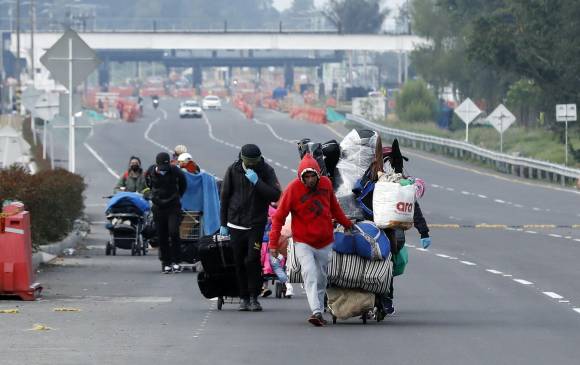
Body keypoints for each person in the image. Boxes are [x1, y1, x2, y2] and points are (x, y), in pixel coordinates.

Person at [269, 154, 353, 326]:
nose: (309, 180)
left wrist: (346, 224)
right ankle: (315, 311)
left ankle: (319, 311)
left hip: (325, 241)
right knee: (310, 273)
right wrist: (273, 244)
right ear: (301, 177)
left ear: (318, 174)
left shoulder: (326, 184)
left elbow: (335, 208)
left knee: (322, 278)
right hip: (303, 241)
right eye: (305, 177)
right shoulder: (292, 190)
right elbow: (278, 218)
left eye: (312, 176)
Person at [355, 138, 431, 317]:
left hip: (386, 228)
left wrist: (424, 231)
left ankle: (386, 297)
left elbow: (411, 205)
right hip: (369, 226)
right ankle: (378, 297)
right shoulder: (369, 181)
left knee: (389, 257)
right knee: (376, 258)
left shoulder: (398, 184)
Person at [220, 144, 281, 312]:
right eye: (250, 162)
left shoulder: (266, 170)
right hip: (235, 223)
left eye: (256, 161)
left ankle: (254, 297)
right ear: (243, 159)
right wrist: (223, 224)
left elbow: (275, 195)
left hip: (256, 223)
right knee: (238, 261)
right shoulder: (233, 170)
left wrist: (257, 182)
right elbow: (225, 197)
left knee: (252, 260)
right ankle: (243, 297)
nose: (254, 164)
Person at [146, 152, 187, 274]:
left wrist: (178, 196)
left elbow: (183, 184)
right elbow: (148, 183)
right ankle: (166, 263)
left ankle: (177, 261)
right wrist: (154, 196)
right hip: (158, 207)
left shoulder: (175, 170)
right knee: (162, 236)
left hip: (173, 206)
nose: (164, 170)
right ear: (157, 165)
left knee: (174, 232)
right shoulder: (150, 171)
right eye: (162, 168)